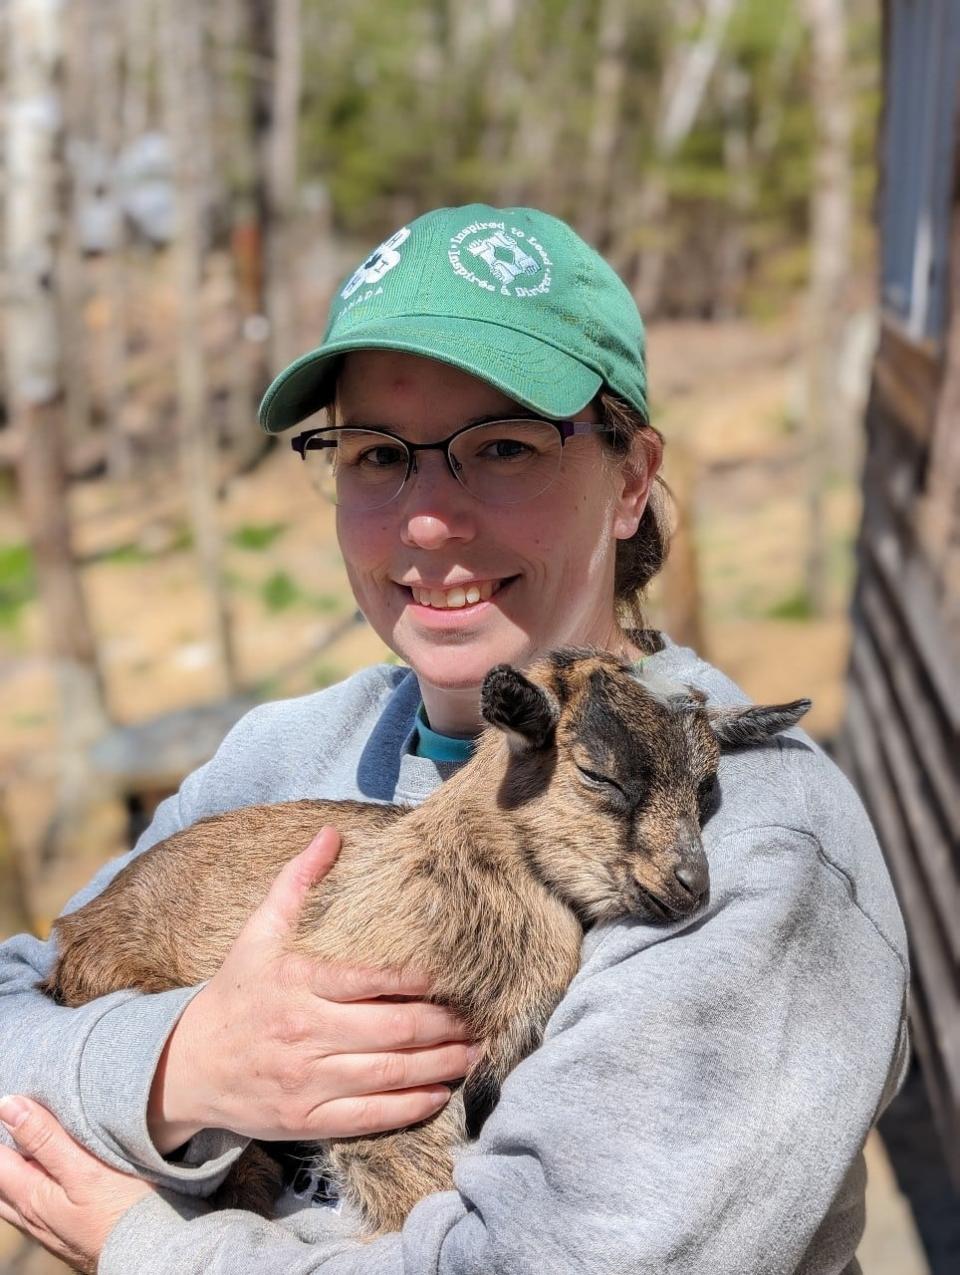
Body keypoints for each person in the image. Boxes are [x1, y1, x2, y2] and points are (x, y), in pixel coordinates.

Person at [0, 204, 908, 1275]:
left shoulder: (746, 840)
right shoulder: (289, 755)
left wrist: (146, 1246)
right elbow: (26, 1000)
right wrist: (185, 1067)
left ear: (628, 479)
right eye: (377, 454)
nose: (429, 519)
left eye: (505, 446)